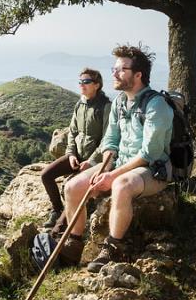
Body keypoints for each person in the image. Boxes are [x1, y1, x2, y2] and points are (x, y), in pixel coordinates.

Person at [59, 44, 173, 273]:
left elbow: (148, 154)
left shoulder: (156, 105)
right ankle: (74, 241)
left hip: (152, 169)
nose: (114, 73)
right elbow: (110, 142)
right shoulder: (120, 103)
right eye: (114, 68)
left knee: (121, 185)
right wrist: (103, 168)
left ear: (137, 75)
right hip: (121, 163)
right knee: (72, 186)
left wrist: (111, 176)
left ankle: (112, 247)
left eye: (121, 69)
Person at [40, 68, 111, 231]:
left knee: (70, 187)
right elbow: (72, 131)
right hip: (77, 156)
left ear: (97, 85)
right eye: (80, 82)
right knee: (46, 175)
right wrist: (71, 154)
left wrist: (91, 161)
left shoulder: (106, 106)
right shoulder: (80, 104)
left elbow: (108, 139)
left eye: (86, 82)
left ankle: (60, 228)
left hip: (95, 161)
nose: (82, 85)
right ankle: (57, 210)